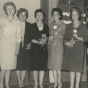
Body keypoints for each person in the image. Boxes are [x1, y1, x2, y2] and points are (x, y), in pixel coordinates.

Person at [62, 7, 88, 88]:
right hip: (71, 49)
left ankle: (76, 86)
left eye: (76, 14)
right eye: (72, 14)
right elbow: (65, 38)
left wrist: (79, 38)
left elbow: (86, 38)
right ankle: (71, 85)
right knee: (72, 68)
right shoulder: (68, 26)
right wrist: (67, 43)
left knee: (78, 68)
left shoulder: (83, 26)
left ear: (79, 15)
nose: (74, 16)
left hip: (79, 49)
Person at [0, 2, 21, 88]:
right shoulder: (1, 20)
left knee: (9, 68)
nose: (10, 10)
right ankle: (1, 85)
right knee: (4, 68)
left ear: (14, 10)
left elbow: (18, 37)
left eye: (12, 8)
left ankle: (7, 85)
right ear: (5, 10)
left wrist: (17, 49)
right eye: (8, 9)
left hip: (12, 48)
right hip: (3, 47)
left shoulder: (17, 22)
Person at [29, 9, 49, 88]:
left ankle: (40, 83)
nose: (39, 16)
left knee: (42, 67)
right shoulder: (32, 26)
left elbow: (48, 37)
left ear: (43, 17)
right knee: (35, 67)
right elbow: (30, 38)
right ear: (35, 17)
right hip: (34, 50)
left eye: (41, 15)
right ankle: (36, 83)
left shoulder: (46, 26)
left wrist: (46, 38)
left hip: (43, 50)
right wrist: (38, 42)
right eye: (37, 15)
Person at [47, 8, 66, 88]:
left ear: (60, 15)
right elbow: (49, 35)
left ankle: (60, 83)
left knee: (58, 66)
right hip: (52, 46)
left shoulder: (63, 25)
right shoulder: (50, 24)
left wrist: (58, 35)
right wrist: (50, 38)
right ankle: (55, 83)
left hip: (59, 46)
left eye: (56, 14)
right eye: (54, 14)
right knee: (53, 66)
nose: (55, 16)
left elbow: (65, 37)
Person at [16, 8, 31, 88]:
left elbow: (31, 37)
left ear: (26, 16)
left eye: (24, 15)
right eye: (21, 15)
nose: (22, 16)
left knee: (24, 65)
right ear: (18, 16)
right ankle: (19, 81)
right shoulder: (14, 24)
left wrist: (30, 44)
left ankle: (22, 82)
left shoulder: (29, 25)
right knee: (18, 65)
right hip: (17, 47)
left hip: (26, 48)